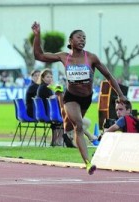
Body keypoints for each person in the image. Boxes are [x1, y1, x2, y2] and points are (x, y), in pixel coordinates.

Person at [31, 22, 128, 175]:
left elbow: (108, 76)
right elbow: (39, 55)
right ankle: (88, 163)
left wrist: (121, 95)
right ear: (70, 41)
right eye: (79, 37)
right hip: (71, 97)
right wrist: (37, 36)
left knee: (70, 126)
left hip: (86, 98)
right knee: (79, 126)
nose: (82, 40)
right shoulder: (64, 57)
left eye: (84, 38)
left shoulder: (91, 57)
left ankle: (65, 120)